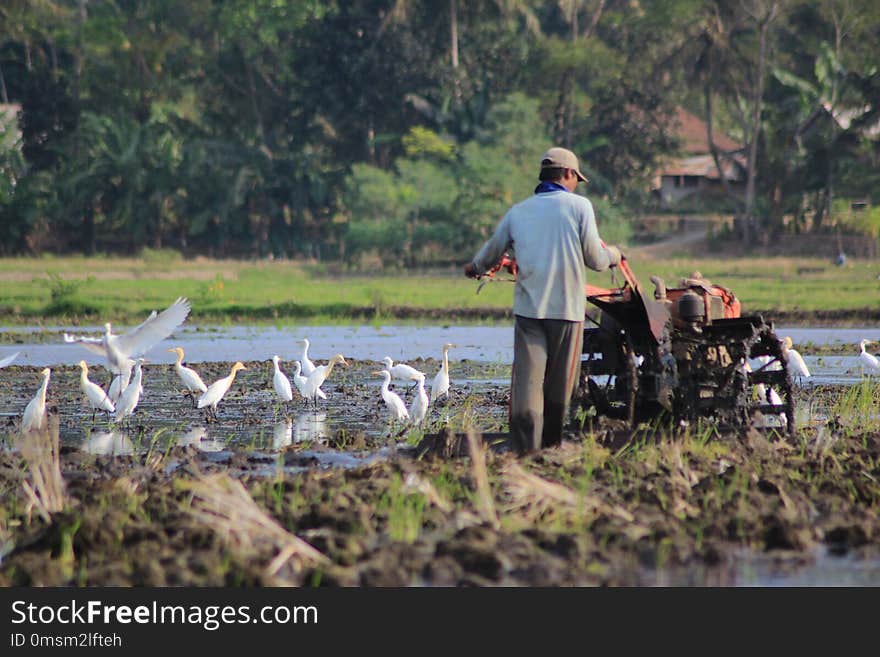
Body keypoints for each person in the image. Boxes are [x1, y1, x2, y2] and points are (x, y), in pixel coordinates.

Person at [464, 147, 622, 453]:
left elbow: (490, 252)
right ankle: (551, 448)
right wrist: (615, 254)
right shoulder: (580, 207)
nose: (576, 183)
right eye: (576, 178)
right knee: (560, 390)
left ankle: (526, 452)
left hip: (529, 313)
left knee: (526, 387)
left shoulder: (519, 211)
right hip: (567, 312)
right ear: (567, 174)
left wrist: (475, 268)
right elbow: (597, 260)